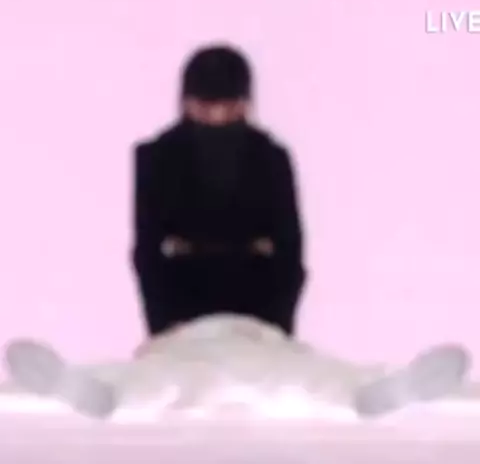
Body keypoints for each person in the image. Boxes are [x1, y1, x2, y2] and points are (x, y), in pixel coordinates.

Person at [132, 44, 305, 336]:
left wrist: (278, 324)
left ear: (245, 105)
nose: (217, 118)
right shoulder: (155, 157)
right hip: (181, 297)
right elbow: (146, 249)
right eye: (205, 108)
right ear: (186, 103)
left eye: (229, 109)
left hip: (257, 297)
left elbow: (291, 248)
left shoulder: (271, 157)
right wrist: (162, 325)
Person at [3, 314, 472, 419]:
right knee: (310, 382)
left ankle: (104, 396)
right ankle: (367, 395)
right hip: (262, 344)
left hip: (182, 349)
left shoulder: (171, 345)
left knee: (151, 384)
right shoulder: (271, 338)